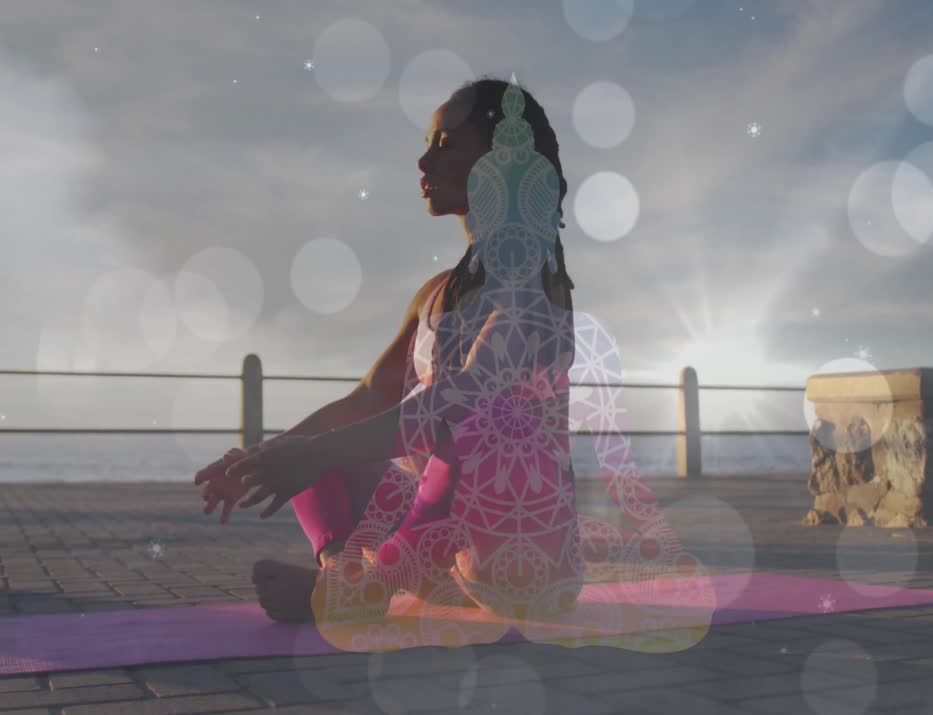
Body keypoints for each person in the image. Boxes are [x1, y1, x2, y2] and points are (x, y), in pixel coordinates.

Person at [195, 75, 707, 653]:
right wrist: (262, 458)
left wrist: (309, 453)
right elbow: (368, 396)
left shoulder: (533, 281)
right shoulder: (436, 290)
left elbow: (457, 404)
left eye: (445, 144)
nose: (423, 159)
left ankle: (368, 585)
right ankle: (349, 580)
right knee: (331, 444)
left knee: (477, 421)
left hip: (520, 568)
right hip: (431, 560)